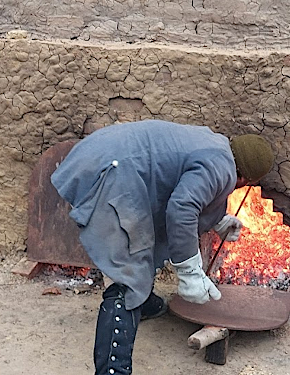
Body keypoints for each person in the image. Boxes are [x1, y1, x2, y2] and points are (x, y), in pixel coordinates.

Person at [51, 119, 274, 375]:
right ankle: (113, 370)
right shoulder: (221, 167)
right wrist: (190, 272)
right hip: (114, 171)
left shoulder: (215, 144)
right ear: (244, 178)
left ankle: (144, 304)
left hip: (106, 154)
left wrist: (217, 219)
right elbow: (182, 208)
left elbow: (176, 182)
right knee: (129, 274)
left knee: (144, 240)